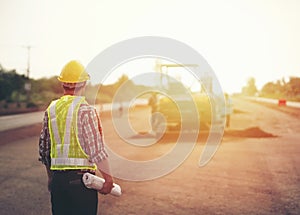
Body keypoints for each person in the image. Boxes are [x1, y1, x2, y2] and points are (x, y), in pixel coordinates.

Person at [39, 60, 114, 215]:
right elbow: (96, 151)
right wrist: (108, 179)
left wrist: (51, 178)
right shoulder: (86, 111)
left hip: (58, 182)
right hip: (82, 184)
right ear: (84, 84)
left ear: (62, 85)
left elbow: (45, 151)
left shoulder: (51, 110)